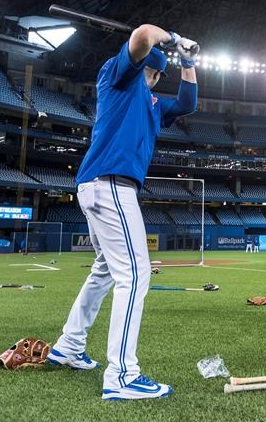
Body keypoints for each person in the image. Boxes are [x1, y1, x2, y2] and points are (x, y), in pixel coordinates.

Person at [47, 25, 199, 401]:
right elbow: (143, 34)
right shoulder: (120, 76)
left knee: (104, 270)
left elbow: (187, 104)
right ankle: (122, 376)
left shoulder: (150, 102)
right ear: (153, 68)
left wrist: (189, 60)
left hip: (102, 186)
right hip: (110, 183)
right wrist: (170, 35)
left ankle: (68, 345)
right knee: (134, 274)